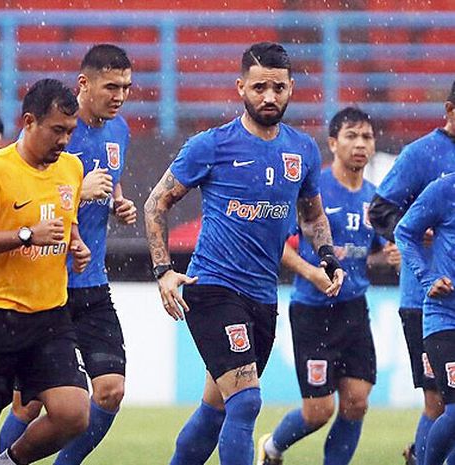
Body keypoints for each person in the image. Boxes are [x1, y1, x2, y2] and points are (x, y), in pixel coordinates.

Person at [144, 42, 344, 465]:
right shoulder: (211, 146)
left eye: (278, 87)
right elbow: (156, 203)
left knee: (216, 408)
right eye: (259, 87)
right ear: (240, 88)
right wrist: (163, 270)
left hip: (262, 297)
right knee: (247, 401)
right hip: (212, 289)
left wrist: (327, 255)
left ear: (291, 88)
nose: (268, 96)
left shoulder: (303, 150)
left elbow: (311, 216)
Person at [0, 43, 137, 465]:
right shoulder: (53, 130)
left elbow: (109, 182)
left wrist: (117, 201)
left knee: (110, 390)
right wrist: (78, 194)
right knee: (29, 404)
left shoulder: (120, 131)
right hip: (44, 285)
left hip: (92, 282)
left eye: (127, 87)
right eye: (111, 86)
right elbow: (25, 199)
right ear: (84, 84)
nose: (120, 96)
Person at [0, 78, 92, 465]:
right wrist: (26, 236)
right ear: (29, 122)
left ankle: (6, 464)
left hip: (48, 316)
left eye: (70, 132)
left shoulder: (72, 169)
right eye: (57, 130)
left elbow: (65, 219)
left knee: (74, 412)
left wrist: (75, 243)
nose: (64, 141)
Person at [257, 107, 400, 465]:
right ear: (333, 143)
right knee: (319, 410)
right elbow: (275, 246)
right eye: (351, 136)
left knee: (356, 402)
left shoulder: (376, 198)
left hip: (354, 310)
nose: (360, 144)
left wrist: (392, 254)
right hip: (312, 311)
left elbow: (381, 248)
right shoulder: (313, 191)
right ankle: (272, 447)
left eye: (367, 137)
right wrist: (311, 272)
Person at [369, 80, 455, 465]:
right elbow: (380, 211)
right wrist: (420, 228)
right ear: (450, 111)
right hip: (425, 299)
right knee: (438, 401)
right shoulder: (421, 155)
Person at [395, 173, 455, 465]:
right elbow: (404, 231)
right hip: (445, 319)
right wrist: (427, 276)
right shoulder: (444, 189)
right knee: (452, 410)